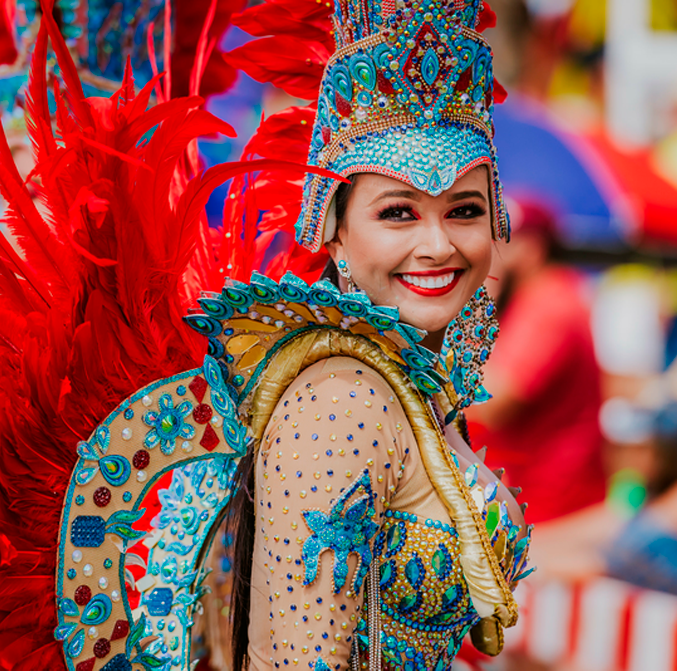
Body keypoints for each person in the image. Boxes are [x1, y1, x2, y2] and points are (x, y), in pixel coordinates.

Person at [0, 1, 532, 670]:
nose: (437, 244)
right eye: (397, 212)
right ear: (333, 231)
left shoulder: (406, 381)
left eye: (464, 210)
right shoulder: (344, 398)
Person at [466, 200, 606, 523]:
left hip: (547, 509)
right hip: (534, 499)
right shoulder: (544, 296)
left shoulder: (548, 303)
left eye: (499, 240)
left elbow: (493, 403)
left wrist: (478, 298)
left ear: (531, 249)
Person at [606, 400, 677, 607]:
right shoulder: (646, 491)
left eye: (646, 449)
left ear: (672, 453)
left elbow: (627, 548)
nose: (633, 458)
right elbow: (609, 520)